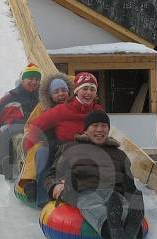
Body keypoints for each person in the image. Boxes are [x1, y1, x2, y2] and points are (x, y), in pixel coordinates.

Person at [45, 110, 145, 239]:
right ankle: (110, 228)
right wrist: (55, 186)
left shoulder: (120, 155)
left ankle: (132, 224)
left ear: (108, 130)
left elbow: (128, 181)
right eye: (95, 125)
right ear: (86, 129)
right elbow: (52, 174)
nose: (100, 129)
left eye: (104, 126)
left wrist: (131, 194)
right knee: (89, 202)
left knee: (121, 203)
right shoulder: (70, 149)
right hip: (83, 190)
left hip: (113, 192)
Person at [23, 72, 103, 206]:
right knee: (43, 153)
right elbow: (35, 127)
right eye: (85, 88)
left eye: (92, 89)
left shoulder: (98, 111)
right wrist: (27, 150)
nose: (88, 92)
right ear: (77, 91)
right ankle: (43, 197)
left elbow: (104, 132)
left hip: (89, 152)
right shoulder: (63, 110)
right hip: (63, 151)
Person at [15, 73, 73, 205]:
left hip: (68, 144)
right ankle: (36, 189)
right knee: (41, 153)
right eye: (56, 91)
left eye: (64, 90)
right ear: (50, 95)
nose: (61, 94)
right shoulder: (43, 108)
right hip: (46, 142)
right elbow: (32, 126)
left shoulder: (73, 106)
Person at [0, 63, 41, 179]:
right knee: (16, 137)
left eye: (37, 79)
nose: (34, 82)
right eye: (30, 78)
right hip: (15, 129)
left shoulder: (41, 98)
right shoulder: (11, 97)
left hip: (35, 129)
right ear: (22, 80)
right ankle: (13, 170)